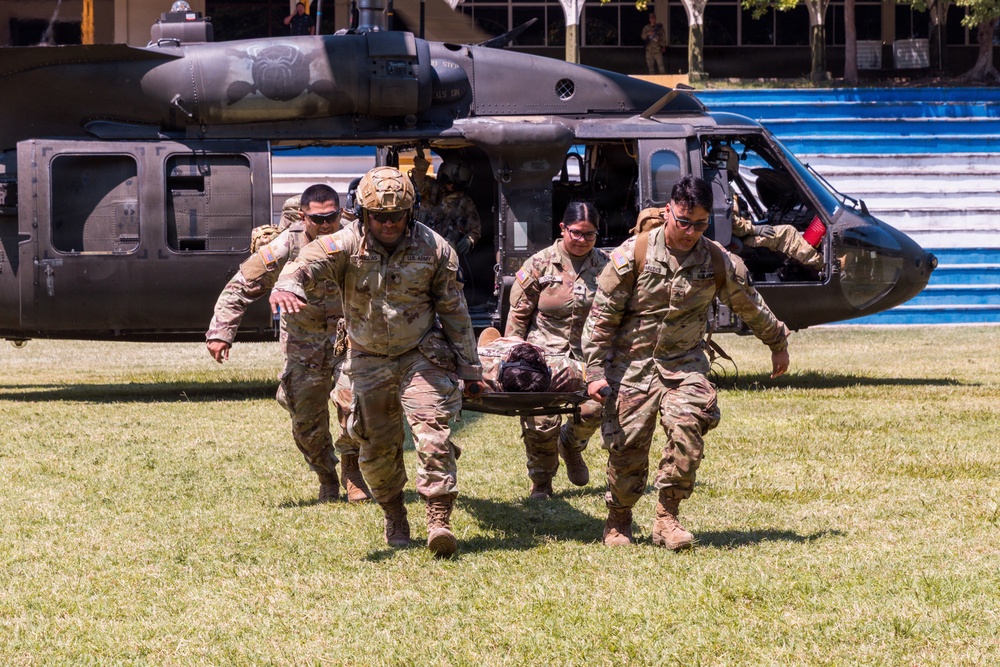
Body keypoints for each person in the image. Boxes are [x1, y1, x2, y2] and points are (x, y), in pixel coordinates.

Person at [270, 166, 484, 558]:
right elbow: (306, 261)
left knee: (433, 435)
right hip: (367, 358)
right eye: (379, 216)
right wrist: (288, 284)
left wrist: (470, 369)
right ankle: (395, 514)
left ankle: (438, 519)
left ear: (410, 212)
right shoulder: (346, 243)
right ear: (364, 214)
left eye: (397, 216)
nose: (388, 224)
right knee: (374, 448)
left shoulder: (435, 249)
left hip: (420, 353)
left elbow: (455, 311)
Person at [583, 175, 790, 550]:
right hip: (630, 368)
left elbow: (749, 303)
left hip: (684, 366)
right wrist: (595, 373)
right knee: (627, 452)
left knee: (688, 432)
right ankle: (618, 519)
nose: (691, 232)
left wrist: (777, 342)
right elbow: (601, 319)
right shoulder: (634, 254)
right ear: (668, 212)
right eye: (683, 221)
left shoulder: (716, 260)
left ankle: (667, 519)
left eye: (700, 224)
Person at [205, 184, 372, 504]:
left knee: (354, 403)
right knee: (306, 420)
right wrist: (220, 332)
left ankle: (351, 467)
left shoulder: (354, 237)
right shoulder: (285, 245)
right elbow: (241, 285)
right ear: (303, 217)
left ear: (340, 212)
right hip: (303, 343)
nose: (326, 225)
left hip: (348, 338)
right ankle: (326, 476)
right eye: (318, 219)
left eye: (332, 217)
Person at [504, 202, 609, 500]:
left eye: (590, 235)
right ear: (563, 228)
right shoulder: (540, 264)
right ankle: (542, 482)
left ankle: (571, 446)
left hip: (587, 357)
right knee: (541, 423)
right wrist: (511, 358)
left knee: (594, 410)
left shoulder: (606, 266)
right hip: (543, 358)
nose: (582, 240)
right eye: (576, 233)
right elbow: (518, 315)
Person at [410, 150, 481, 256]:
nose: (451, 186)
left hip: (446, 252)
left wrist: (469, 240)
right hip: (420, 247)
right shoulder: (430, 187)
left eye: (457, 184)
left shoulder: (465, 202)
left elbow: (476, 229)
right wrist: (421, 167)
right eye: (448, 180)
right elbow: (416, 187)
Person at [731, 193, 824, 272]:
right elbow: (734, 224)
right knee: (787, 233)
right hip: (741, 238)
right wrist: (754, 229)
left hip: (741, 234)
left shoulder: (725, 189)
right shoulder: (724, 191)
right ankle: (821, 265)